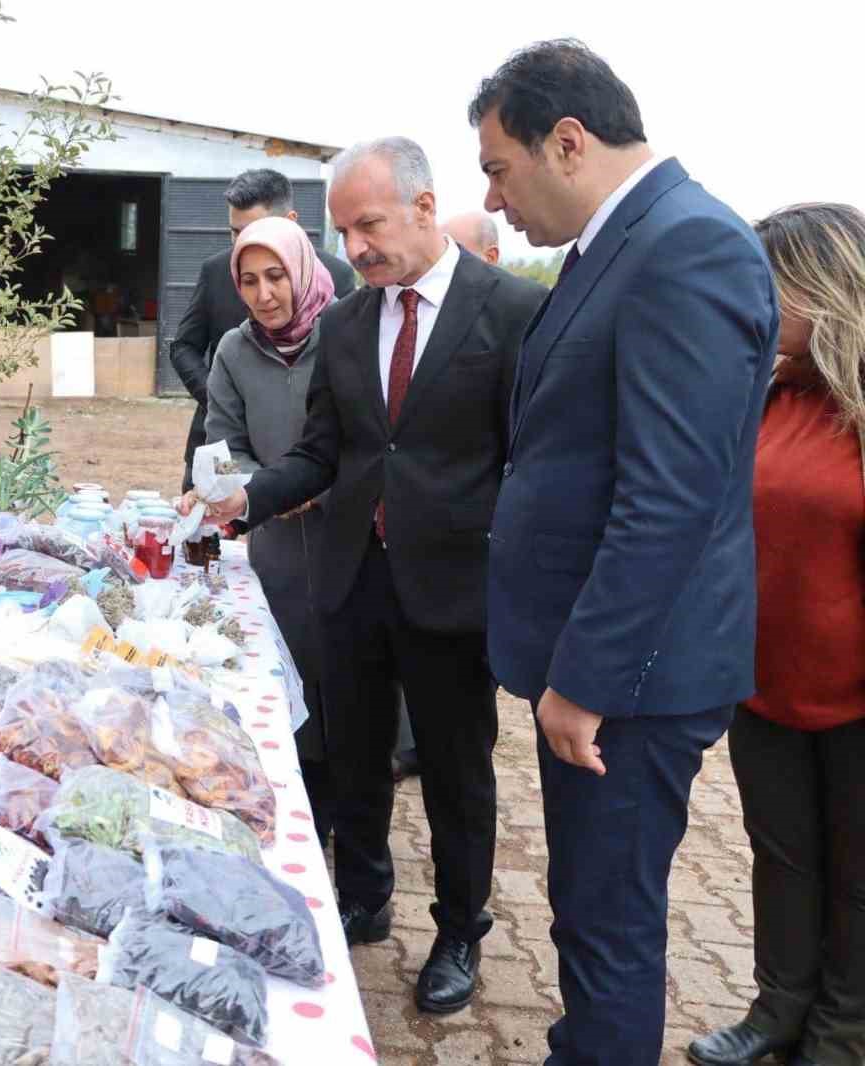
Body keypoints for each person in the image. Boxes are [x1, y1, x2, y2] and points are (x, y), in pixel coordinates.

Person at [469, 40, 779, 1066]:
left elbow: (670, 496)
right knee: (585, 910)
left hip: (631, 681)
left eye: (497, 168)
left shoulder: (688, 245)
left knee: (607, 925)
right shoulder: (620, 244)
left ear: (567, 142)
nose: (494, 198)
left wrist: (585, 679)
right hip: (609, 667)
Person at [183, 137, 545, 1013]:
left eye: (369, 225)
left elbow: (530, 460)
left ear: (425, 206)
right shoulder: (348, 321)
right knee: (355, 753)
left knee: (458, 770)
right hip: (350, 576)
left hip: (453, 589)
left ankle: (460, 930)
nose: (357, 249)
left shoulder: (511, 314)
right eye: (343, 231)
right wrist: (246, 501)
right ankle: (365, 896)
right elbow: (322, 451)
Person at [687, 203, 865, 1066]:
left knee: (858, 882)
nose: (752, 304)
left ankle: (840, 1033)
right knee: (782, 857)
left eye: (769, 287)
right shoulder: (769, 395)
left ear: (824, 288)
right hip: (764, 682)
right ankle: (777, 1012)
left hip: (857, 696)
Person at [201, 215, 338, 838]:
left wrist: (316, 484)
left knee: (351, 686)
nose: (263, 294)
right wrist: (267, 489)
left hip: (351, 537)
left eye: (276, 276)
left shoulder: (347, 334)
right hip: (277, 542)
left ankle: (356, 833)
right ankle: (301, 818)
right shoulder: (234, 350)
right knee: (289, 677)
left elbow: (372, 436)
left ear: (303, 270)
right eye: (249, 281)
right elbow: (223, 444)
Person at [170, 168, 357, 492]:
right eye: (235, 232)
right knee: (207, 534)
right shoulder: (218, 273)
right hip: (223, 454)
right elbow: (183, 346)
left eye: (276, 276)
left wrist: (299, 489)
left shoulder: (338, 284)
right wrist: (222, 396)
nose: (263, 295)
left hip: (313, 480)